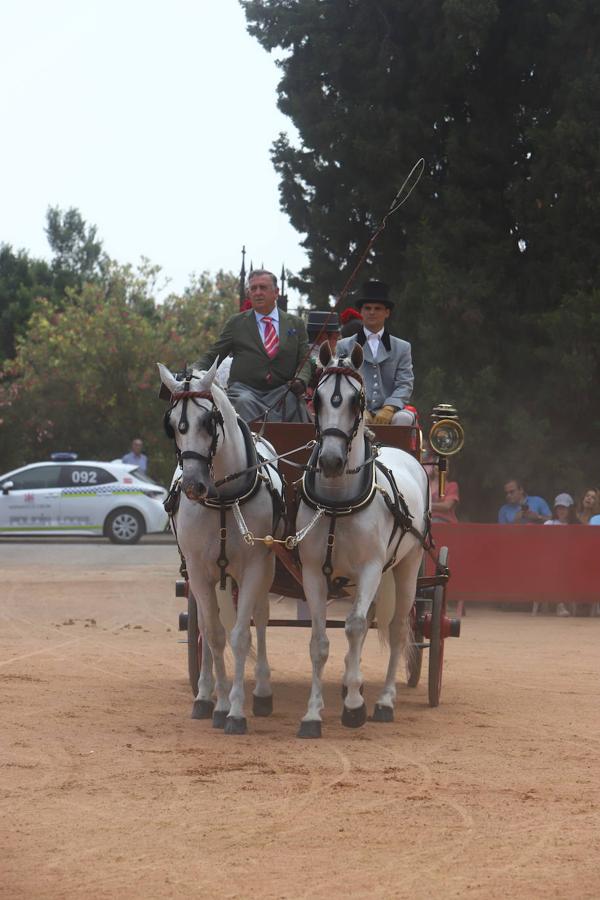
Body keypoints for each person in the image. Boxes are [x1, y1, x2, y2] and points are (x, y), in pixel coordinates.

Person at [194, 269, 312, 422]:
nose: (257, 292)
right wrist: (192, 373)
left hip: (283, 392)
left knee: (294, 406)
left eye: (263, 288)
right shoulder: (236, 323)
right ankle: (248, 445)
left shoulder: (295, 323)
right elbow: (213, 355)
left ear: (276, 292)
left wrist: (301, 380)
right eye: (253, 288)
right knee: (242, 402)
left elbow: (305, 359)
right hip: (244, 392)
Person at [336, 280, 415, 425]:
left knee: (404, 418)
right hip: (355, 407)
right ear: (361, 312)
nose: (372, 312)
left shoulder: (403, 347)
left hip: (392, 410)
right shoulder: (344, 346)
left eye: (377, 308)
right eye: (367, 308)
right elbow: (342, 383)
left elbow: (405, 383)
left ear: (387, 313)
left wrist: (389, 408)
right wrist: (359, 407)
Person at [425, 459, 460, 524]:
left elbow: (447, 506)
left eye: (444, 465)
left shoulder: (452, 486)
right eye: (437, 464)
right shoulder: (425, 484)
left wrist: (427, 505)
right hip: (425, 519)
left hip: (443, 521)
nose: (440, 467)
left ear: (448, 470)